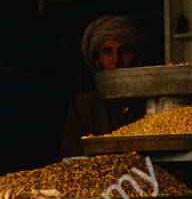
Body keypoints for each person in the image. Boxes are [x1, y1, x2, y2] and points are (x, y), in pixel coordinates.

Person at [59, 15, 147, 157]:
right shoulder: (83, 107)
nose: (116, 60)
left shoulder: (150, 103)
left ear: (137, 58)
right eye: (107, 52)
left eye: (124, 51)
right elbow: (70, 159)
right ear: (97, 61)